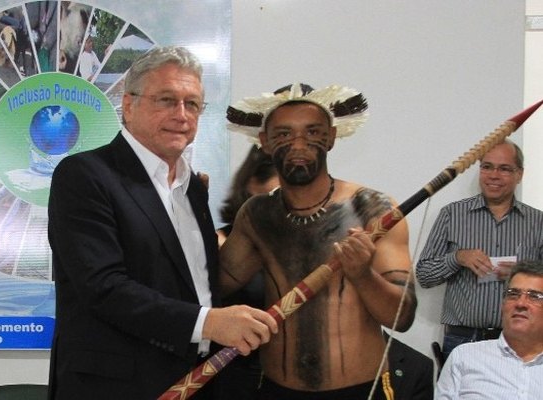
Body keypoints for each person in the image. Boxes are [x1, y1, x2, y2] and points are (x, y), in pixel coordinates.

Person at [47, 45, 277, 400]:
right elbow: (104, 287)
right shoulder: (84, 175)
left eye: (193, 104)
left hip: (199, 380)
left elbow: (195, 283)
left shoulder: (192, 188)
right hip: (114, 388)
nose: (182, 115)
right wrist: (210, 323)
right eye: (166, 100)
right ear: (128, 105)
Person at [221, 83, 417, 399]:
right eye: (284, 134)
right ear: (265, 142)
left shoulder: (372, 209)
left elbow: (403, 316)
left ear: (331, 137)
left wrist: (363, 275)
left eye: (312, 132)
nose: (299, 144)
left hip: (359, 390)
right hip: (276, 390)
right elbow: (217, 285)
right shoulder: (258, 215)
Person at [416, 140, 543, 359]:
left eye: (504, 169)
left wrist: (520, 275)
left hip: (521, 339)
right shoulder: (452, 215)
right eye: (487, 167)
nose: (494, 175)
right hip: (463, 339)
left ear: (519, 174)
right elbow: (424, 275)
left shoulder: (538, 221)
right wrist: (457, 258)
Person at [214, 145, 279, 399]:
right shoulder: (221, 241)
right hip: (234, 372)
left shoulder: (307, 241)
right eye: (276, 192)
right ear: (252, 185)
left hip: (289, 376)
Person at [435, 261, 543, 399]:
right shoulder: (464, 357)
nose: (520, 303)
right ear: (503, 304)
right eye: (513, 294)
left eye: (534, 296)